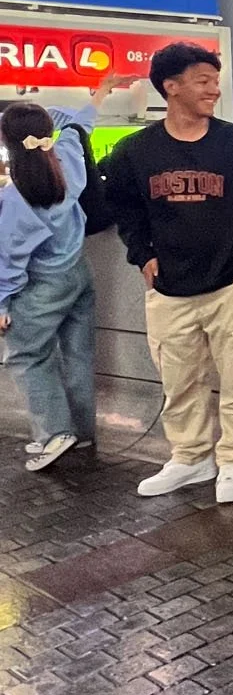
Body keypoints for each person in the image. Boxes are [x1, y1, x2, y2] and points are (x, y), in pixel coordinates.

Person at [101, 43, 233, 505]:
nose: (213, 90)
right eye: (202, 81)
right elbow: (122, 205)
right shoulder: (135, 151)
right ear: (171, 86)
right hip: (169, 290)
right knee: (178, 382)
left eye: (214, 81)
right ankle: (190, 456)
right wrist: (142, 254)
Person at [0, 75, 114, 471]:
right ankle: (81, 434)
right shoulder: (69, 161)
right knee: (78, 354)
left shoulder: (14, 197)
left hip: (41, 286)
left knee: (28, 356)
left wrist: (2, 303)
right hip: (78, 275)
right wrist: (98, 95)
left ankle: (53, 434)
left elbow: (9, 259)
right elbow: (78, 124)